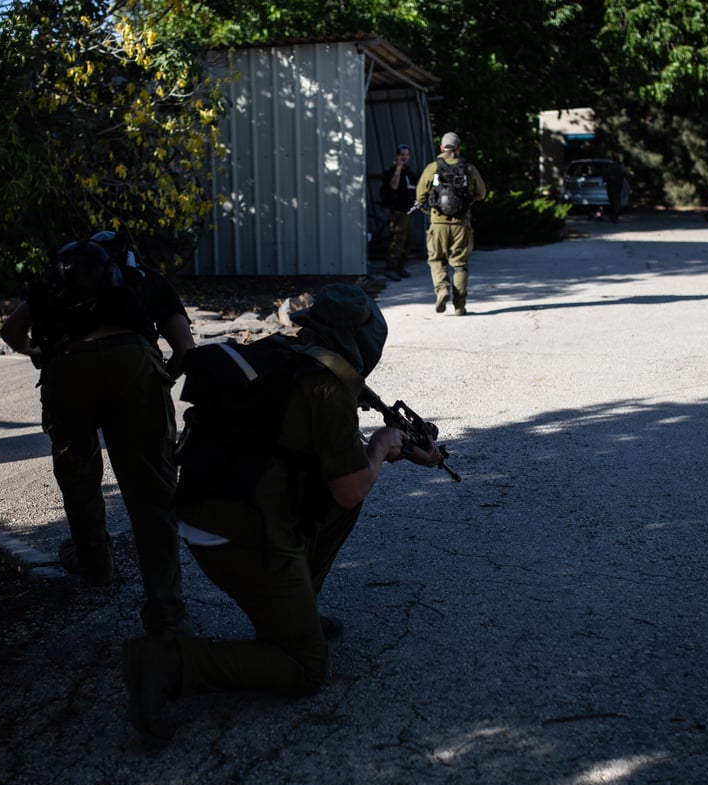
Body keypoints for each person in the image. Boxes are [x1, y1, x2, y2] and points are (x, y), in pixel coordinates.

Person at [121, 283, 443, 739]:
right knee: (305, 667)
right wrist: (382, 447)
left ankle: (296, 611)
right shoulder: (327, 388)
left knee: (338, 497)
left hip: (207, 504)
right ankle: (165, 662)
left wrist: (400, 448)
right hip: (242, 533)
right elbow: (351, 488)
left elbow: (320, 455)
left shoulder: (285, 353)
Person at [0, 231, 194, 639]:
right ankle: (166, 611)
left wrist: (35, 353)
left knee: (77, 470)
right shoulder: (148, 279)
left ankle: (94, 562)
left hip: (67, 367)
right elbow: (185, 349)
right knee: (152, 489)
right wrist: (160, 382)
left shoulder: (55, 281)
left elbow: (12, 330)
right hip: (134, 363)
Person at [415, 131, 487, 316]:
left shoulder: (432, 168)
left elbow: (420, 195)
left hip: (437, 223)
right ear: (458, 148)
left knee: (436, 259)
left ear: (441, 148)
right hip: (461, 224)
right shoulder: (468, 168)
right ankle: (459, 306)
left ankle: (441, 289)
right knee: (460, 264)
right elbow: (482, 193)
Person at [380, 144, 419, 280]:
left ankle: (400, 267)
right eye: (402, 155)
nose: (404, 157)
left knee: (407, 240)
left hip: (409, 210)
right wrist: (398, 169)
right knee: (397, 239)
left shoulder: (410, 172)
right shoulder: (393, 171)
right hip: (397, 210)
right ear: (397, 156)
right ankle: (390, 267)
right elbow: (393, 186)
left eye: (406, 155)